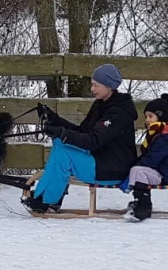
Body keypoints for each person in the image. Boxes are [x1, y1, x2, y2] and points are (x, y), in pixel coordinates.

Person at [23, 64, 138, 213]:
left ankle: (44, 200)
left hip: (112, 168)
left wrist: (63, 134)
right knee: (60, 144)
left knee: (64, 153)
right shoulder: (100, 105)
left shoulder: (118, 112)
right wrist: (55, 120)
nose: (92, 89)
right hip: (100, 161)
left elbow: (93, 140)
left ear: (109, 86)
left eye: (96, 85)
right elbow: (83, 131)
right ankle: (50, 198)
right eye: (92, 84)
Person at [122, 93, 168, 221]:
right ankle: (139, 201)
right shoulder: (156, 133)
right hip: (160, 170)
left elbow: (152, 159)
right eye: (146, 116)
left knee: (138, 171)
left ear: (161, 116)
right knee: (137, 170)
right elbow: (148, 156)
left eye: (151, 116)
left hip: (167, 173)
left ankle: (143, 207)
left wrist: (136, 166)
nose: (147, 120)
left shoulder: (165, 137)